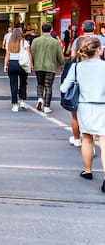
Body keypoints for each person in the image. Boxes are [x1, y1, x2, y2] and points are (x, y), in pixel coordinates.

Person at [59, 36, 105, 191]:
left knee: (87, 139)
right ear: (99, 50)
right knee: (104, 143)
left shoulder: (77, 67)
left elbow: (63, 88)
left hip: (84, 107)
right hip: (103, 106)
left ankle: (88, 170)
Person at [30, 23, 64, 114]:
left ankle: (40, 98)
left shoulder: (36, 41)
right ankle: (46, 106)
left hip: (38, 66)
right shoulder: (55, 42)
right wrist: (62, 64)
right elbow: (60, 55)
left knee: (40, 84)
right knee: (48, 86)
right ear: (51, 30)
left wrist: (31, 64)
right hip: (50, 67)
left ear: (42, 30)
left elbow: (32, 53)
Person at [4, 28, 32, 112]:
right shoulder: (25, 42)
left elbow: (7, 55)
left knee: (13, 84)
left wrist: (5, 65)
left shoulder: (10, 43)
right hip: (22, 64)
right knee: (23, 83)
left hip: (12, 64)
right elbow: (29, 54)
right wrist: (31, 64)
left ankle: (15, 105)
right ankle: (22, 101)